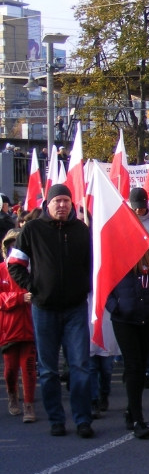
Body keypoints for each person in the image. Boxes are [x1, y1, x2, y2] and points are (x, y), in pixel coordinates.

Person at [8, 184, 94, 438]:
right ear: (48, 204)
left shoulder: (82, 230)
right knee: (48, 369)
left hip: (76, 308)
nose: (62, 205)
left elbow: (93, 264)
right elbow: (15, 264)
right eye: (57, 201)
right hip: (44, 309)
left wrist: (86, 287)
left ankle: (82, 420)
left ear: (71, 204)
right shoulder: (32, 229)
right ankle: (56, 419)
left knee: (79, 365)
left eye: (66, 201)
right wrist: (32, 287)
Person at [107, 253, 149, 438]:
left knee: (142, 365)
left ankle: (131, 410)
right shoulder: (115, 258)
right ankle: (138, 418)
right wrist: (115, 306)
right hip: (125, 319)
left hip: (148, 316)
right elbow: (104, 284)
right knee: (133, 365)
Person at [1, 229, 35, 423]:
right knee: (11, 369)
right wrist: (18, 298)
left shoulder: (31, 270)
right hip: (8, 329)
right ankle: (12, 394)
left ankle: (28, 405)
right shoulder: (1, 270)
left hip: (29, 327)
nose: (14, 249)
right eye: (10, 246)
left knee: (29, 368)